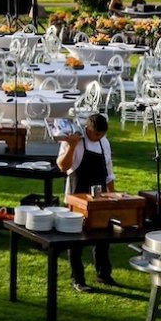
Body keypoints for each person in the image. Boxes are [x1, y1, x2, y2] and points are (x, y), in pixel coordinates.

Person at [58, 113, 118, 291]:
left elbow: (108, 172)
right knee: (76, 239)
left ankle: (104, 274)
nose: (98, 137)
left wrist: (113, 197)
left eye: (102, 134)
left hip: (99, 198)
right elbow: (63, 166)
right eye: (96, 134)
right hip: (77, 195)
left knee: (103, 237)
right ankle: (78, 279)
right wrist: (72, 146)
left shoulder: (104, 142)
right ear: (87, 129)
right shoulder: (72, 139)